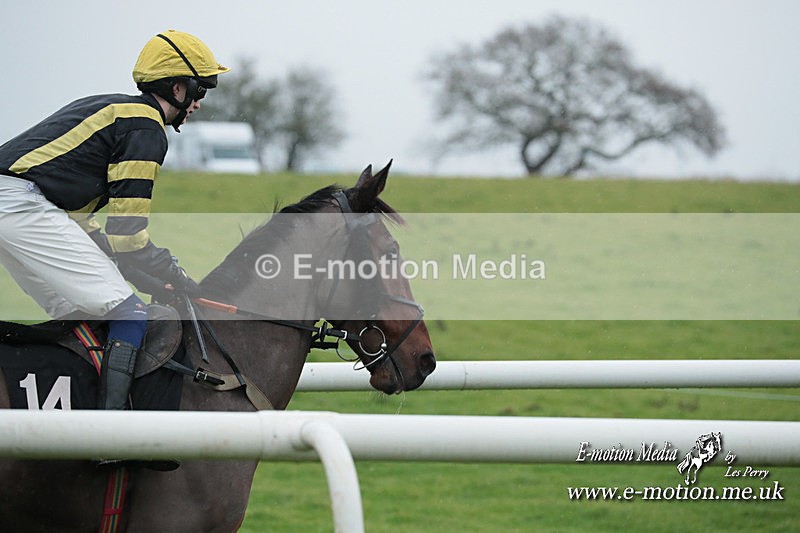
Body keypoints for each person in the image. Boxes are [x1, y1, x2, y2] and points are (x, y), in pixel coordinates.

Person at [0, 30, 229, 420]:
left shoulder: (118, 110)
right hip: (18, 205)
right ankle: (115, 431)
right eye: (200, 92)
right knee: (128, 314)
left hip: (22, 204)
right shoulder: (146, 128)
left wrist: (149, 279)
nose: (199, 105)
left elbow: (88, 227)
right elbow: (129, 237)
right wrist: (172, 272)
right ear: (178, 87)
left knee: (81, 315)